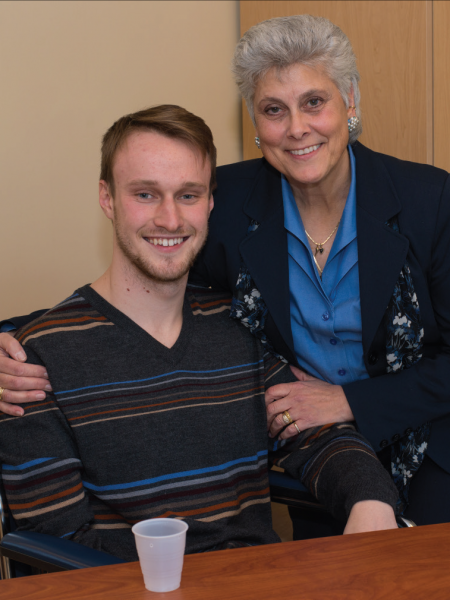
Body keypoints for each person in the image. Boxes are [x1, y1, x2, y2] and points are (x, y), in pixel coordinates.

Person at [0, 14, 448, 528]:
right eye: (273, 109)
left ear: (350, 100)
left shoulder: (429, 201)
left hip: (428, 440)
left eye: (314, 102)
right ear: (254, 123)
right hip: (313, 451)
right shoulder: (228, 201)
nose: (297, 127)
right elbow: (145, 285)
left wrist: (349, 402)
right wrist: (20, 339)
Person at [0, 105, 398, 561]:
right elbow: (59, 547)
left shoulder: (239, 325)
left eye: (188, 195)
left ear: (211, 203)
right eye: (146, 194)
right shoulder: (30, 364)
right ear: (107, 198)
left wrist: (370, 501)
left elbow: (313, 432)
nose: (170, 220)